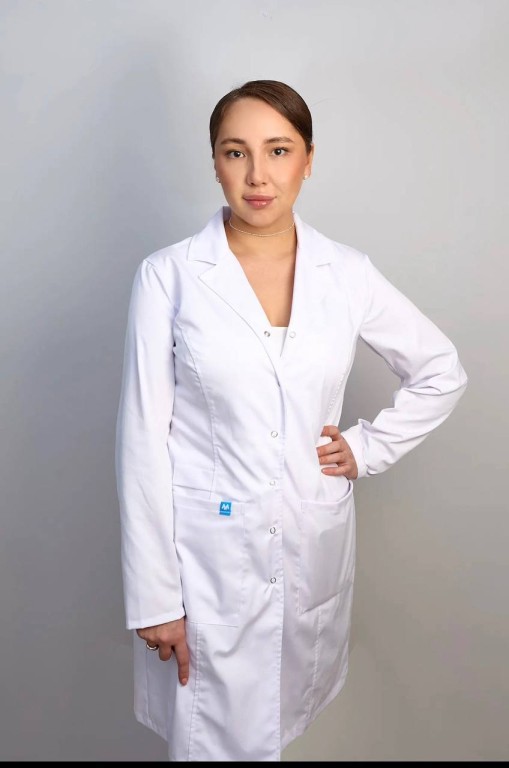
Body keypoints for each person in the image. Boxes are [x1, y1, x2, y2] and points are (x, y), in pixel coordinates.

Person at [115, 79, 468, 762]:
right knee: (211, 740)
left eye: (278, 150)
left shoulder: (347, 273)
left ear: (308, 160)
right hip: (204, 564)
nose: (257, 175)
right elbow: (142, 443)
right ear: (214, 162)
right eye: (235, 152)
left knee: (274, 729)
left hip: (309, 550)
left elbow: (439, 370)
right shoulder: (169, 276)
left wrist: (366, 447)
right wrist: (155, 598)